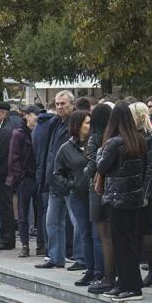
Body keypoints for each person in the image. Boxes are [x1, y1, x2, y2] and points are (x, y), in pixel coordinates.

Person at [97, 102, 149, 302]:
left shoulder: (114, 143)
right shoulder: (138, 140)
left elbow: (101, 166)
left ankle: (129, 286)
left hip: (117, 198)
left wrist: (101, 150)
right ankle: (128, 283)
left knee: (120, 242)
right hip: (134, 197)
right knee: (129, 241)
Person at [54, 110, 102, 286]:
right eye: (86, 123)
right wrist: (71, 184)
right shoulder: (66, 148)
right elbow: (57, 172)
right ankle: (90, 269)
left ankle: (100, 271)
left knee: (97, 234)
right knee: (85, 234)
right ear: (78, 125)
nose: (90, 126)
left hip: (96, 195)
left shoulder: (96, 143)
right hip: (78, 196)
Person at [36, 91, 77, 270]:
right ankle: (55, 257)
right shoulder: (54, 123)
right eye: (58, 104)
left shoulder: (76, 123)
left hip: (69, 180)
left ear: (72, 105)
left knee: (77, 221)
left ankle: (82, 257)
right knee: (52, 221)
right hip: (54, 179)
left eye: (64, 104)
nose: (60, 107)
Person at [130, 102, 152, 289]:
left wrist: (145, 193)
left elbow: (151, 170)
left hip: (146, 193)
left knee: (145, 232)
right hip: (143, 190)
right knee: (142, 232)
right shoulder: (144, 137)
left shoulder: (150, 138)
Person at [85, 103, 114, 294]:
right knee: (112, 235)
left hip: (98, 190)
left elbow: (92, 166)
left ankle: (107, 276)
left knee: (104, 236)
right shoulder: (115, 137)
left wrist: (87, 170)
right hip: (114, 190)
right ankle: (111, 274)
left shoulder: (95, 138)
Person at [7, 105, 41, 257]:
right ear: (27, 116)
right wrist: (20, 177)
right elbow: (13, 158)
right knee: (23, 213)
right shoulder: (19, 134)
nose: (38, 118)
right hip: (25, 179)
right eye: (35, 115)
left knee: (41, 213)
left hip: (38, 178)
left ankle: (41, 244)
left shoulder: (40, 132)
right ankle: (25, 245)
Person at [0, 102, 17, 251]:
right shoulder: (0, 128)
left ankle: (7, 239)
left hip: (2, 174)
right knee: (2, 206)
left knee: (5, 207)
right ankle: (5, 236)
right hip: (0, 174)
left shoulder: (6, 131)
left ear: (4, 114)